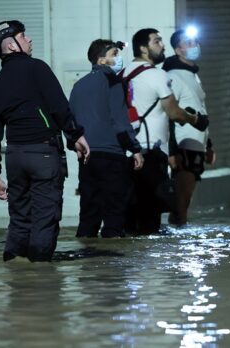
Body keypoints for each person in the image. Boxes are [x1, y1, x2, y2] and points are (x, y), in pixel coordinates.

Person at [0, 20, 90, 262]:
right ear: (11, 45)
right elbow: (59, 107)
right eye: (23, 36)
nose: (29, 39)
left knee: (20, 217)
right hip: (43, 153)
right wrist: (76, 136)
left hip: (14, 157)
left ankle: (15, 275)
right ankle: (40, 280)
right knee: (45, 216)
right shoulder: (36, 68)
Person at [121, 28, 209, 235]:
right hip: (151, 152)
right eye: (157, 41)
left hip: (127, 152)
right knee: (151, 220)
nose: (162, 46)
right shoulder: (158, 75)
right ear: (143, 48)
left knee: (131, 215)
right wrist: (194, 119)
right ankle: (153, 266)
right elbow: (173, 111)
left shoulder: (123, 74)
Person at [69, 39, 144, 238]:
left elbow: (70, 122)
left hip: (86, 157)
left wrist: (74, 145)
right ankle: (111, 265)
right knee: (114, 214)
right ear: (101, 60)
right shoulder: (113, 82)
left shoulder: (79, 86)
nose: (119, 59)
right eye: (114, 55)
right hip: (112, 156)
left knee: (88, 213)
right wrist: (135, 148)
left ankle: (87, 261)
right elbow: (120, 119)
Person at [163, 28, 216, 226]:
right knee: (181, 202)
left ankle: (178, 236)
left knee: (185, 200)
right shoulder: (173, 75)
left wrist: (208, 144)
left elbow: (200, 109)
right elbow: (168, 112)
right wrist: (172, 150)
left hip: (196, 144)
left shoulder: (193, 75)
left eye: (196, 41)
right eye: (188, 42)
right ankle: (176, 242)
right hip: (184, 145)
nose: (195, 45)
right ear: (178, 50)